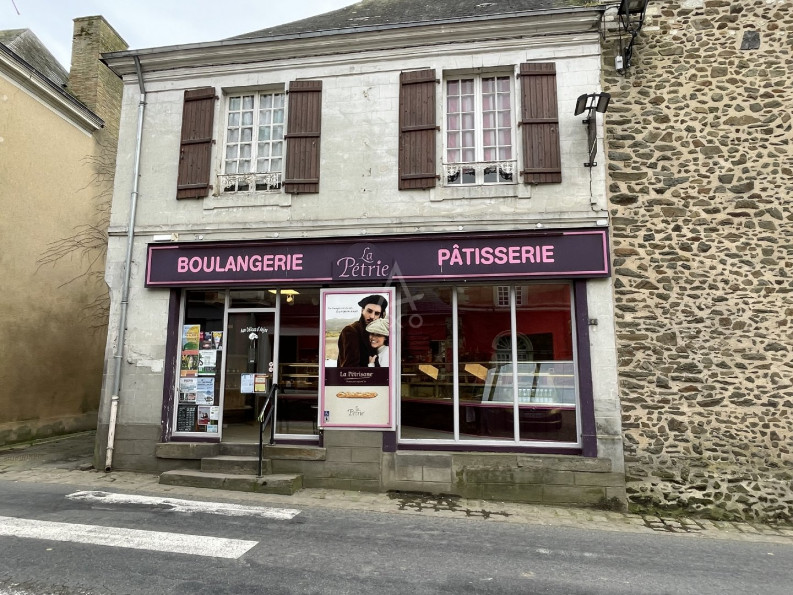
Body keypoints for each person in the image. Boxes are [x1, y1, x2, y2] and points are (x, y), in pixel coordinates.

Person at [337, 294, 388, 367]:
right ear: (362, 310)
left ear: (380, 316)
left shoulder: (377, 333)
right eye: (369, 311)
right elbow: (350, 367)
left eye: (377, 313)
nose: (372, 316)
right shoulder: (351, 330)